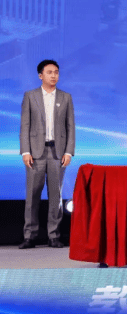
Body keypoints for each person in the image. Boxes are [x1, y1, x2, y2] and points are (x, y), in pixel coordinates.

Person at [19, 59, 75, 249]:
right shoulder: (30, 96)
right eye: (49, 72)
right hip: (35, 152)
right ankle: (30, 235)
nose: (54, 75)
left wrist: (68, 152)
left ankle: (54, 235)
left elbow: (70, 126)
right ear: (40, 75)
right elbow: (25, 125)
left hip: (57, 152)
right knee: (32, 195)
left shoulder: (65, 97)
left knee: (55, 196)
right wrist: (25, 151)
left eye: (56, 72)